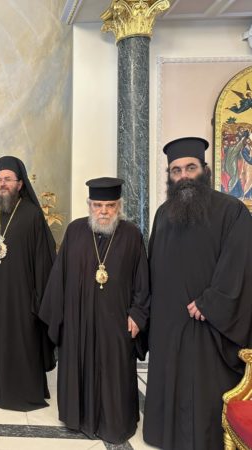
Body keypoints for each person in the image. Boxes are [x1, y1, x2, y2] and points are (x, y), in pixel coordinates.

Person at [143, 137, 252, 450]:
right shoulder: (163, 214)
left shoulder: (231, 211)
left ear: (204, 169)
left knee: (203, 391)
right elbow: (152, 267)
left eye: (190, 168)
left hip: (208, 326)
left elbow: (241, 262)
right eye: (176, 170)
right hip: (168, 325)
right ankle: (166, 435)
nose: (184, 176)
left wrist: (211, 301)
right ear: (169, 175)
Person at [38, 177, 149, 444]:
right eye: (98, 205)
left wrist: (138, 314)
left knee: (115, 372)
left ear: (119, 206)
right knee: (79, 365)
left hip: (116, 321)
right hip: (78, 321)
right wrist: (59, 317)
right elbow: (59, 277)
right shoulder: (75, 231)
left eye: (110, 206)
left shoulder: (131, 234)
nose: (103, 211)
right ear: (89, 205)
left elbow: (143, 280)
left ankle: (115, 421)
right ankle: (78, 418)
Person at [0, 156, 56, 411]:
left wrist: (38, 299)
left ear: (20, 183)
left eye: (8, 179)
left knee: (22, 342)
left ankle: (22, 390)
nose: (2, 184)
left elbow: (44, 259)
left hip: (22, 297)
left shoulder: (32, 215)